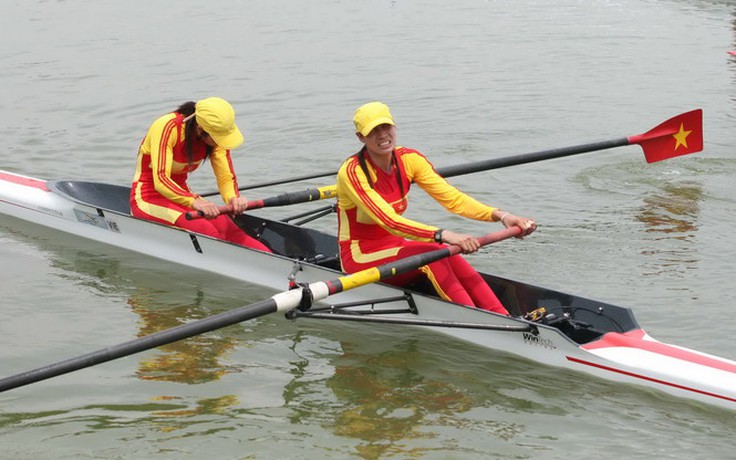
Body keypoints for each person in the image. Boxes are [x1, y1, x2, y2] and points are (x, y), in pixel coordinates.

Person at [336, 102, 536, 315]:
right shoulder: (352, 172)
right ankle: (475, 318)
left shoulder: (409, 159)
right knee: (435, 254)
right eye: (373, 131)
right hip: (360, 255)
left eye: (386, 127)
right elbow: (389, 221)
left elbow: (453, 199)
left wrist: (501, 216)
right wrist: (444, 235)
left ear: (394, 127)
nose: (382, 135)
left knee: (445, 252)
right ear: (361, 137)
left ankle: (501, 314)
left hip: (394, 245)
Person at [130, 97, 270, 252]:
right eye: (218, 137)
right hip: (148, 197)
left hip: (183, 197)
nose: (220, 141)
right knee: (206, 231)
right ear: (200, 128)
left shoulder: (216, 137)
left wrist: (233, 198)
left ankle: (278, 267)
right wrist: (194, 201)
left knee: (229, 228)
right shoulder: (167, 127)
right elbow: (161, 179)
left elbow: (225, 176)